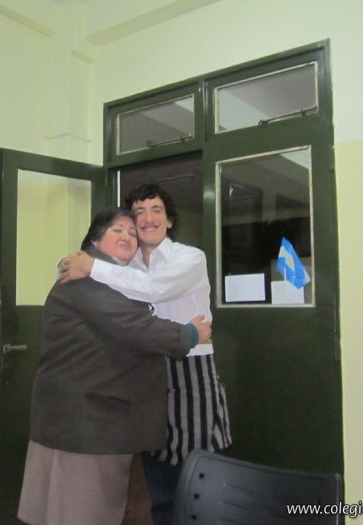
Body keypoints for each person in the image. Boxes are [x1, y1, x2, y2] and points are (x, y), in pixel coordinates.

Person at [17, 207, 212, 525]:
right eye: (117, 230)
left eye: (132, 233)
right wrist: (191, 333)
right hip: (87, 425)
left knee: (62, 509)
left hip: (77, 419)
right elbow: (138, 329)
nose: (128, 236)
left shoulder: (101, 278)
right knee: (83, 512)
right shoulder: (90, 282)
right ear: (95, 240)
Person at [59, 183, 232, 525]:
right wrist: (77, 263)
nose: (147, 218)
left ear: (169, 220)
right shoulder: (127, 265)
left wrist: (91, 266)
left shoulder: (190, 258)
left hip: (191, 369)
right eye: (139, 212)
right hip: (148, 369)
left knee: (199, 469)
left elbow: (154, 289)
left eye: (156, 210)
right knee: (157, 463)